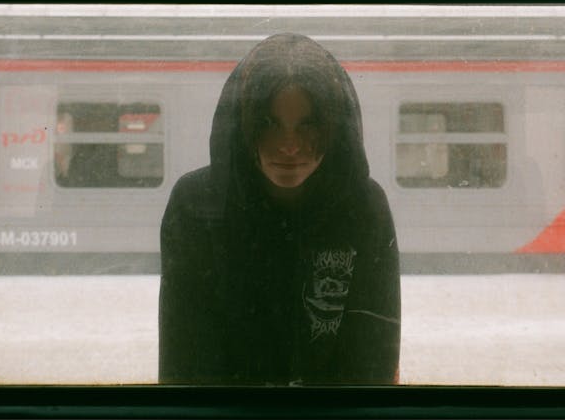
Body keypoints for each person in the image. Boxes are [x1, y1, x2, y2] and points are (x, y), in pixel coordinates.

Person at [159, 33, 400, 385]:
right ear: (244, 126)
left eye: (308, 124)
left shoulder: (365, 208)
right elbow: (183, 361)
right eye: (269, 123)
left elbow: (374, 362)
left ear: (335, 129)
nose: (289, 146)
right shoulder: (193, 205)